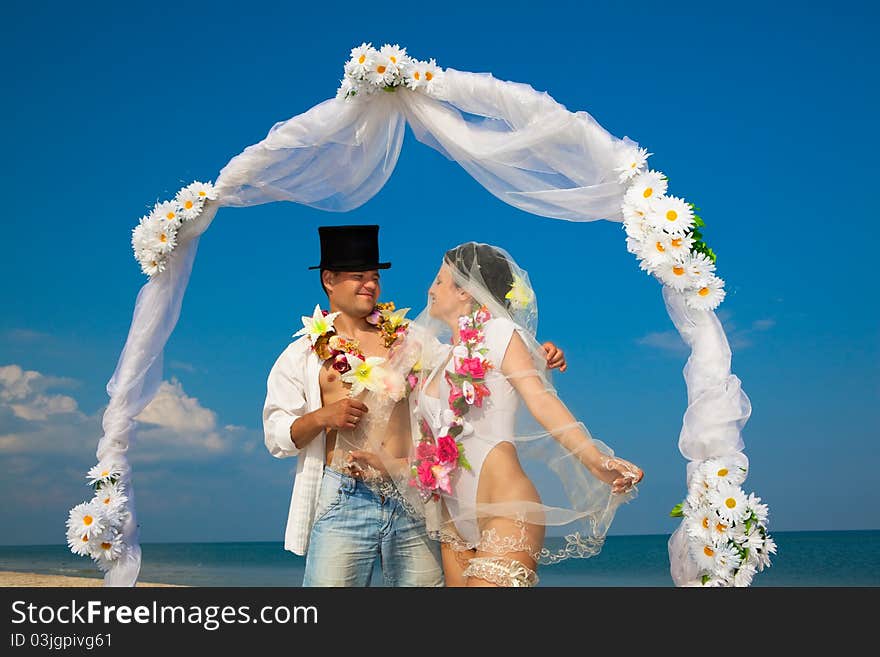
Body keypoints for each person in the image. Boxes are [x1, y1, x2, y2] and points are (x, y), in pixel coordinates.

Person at [262, 226, 568, 587]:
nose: (370, 285)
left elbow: (473, 357)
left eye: (375, 277)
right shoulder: (303, 353)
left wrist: (536, 351)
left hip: (411, 497)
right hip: (346, 494)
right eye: (358, 277)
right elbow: (276, 434)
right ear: (329, 280)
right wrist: (321, 417)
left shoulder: (411, 337)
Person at [348, 241, 644, 587]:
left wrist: (597, 461)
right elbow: (440, 452)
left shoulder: (499, 333)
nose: (430, 289)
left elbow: (541, 399)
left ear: (465, 291)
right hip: (453, 525)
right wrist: (385, 464)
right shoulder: (438, 361)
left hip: (505, 510)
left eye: (440, 281)